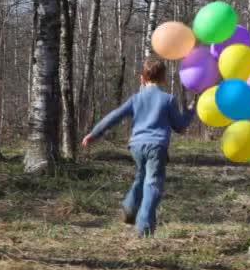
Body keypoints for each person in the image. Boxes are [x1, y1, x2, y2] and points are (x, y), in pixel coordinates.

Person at [82, 57, 195, 238]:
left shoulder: (135, 99)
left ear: (142, 78)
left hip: (135, 146)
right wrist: (190, 112)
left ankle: (130, 206)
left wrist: (94, 133)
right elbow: (180, 126)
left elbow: (114, 116)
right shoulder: (168, 100)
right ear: (164, 79)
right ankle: (144, 227)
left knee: (141, 177)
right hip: (156, 147)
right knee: (153, 184)